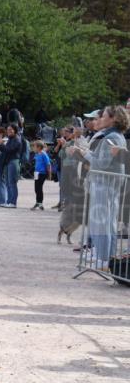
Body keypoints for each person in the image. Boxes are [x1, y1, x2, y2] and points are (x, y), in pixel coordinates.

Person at [70, 106, 129, 269]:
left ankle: (103, 259)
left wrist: (84, 153)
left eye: (103, 116)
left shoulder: (113, 137)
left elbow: (101, 163)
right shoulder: (114, 135)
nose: (100, 119)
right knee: (106, 223)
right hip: (106, 183)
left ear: (114, 119)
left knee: (102, 223)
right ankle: (105, 258)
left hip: (105, 184)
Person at [0, 124, 22, 208]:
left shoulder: (17, 139)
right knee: (8, 183)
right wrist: (0, 145)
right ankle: (9, 201)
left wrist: (0, 145)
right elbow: (5, 151)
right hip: (8, 162)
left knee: (12, 183)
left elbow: (9, 150)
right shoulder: (10, 139)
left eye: (10, 129)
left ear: (15, 130)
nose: (8, 131)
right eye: (8, 129)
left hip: (13, 161)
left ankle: (13, 202)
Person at [31, 140, 52, 210]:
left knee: (39, 188)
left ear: (39, 147)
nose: (33, 148)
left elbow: (48, 164)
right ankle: (37, 202)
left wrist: (49, 174)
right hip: (36, 173)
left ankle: (40, 203)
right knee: (36, 188)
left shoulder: (44, 154)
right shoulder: (37, 154)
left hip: (42, 173)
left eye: (34, 146)